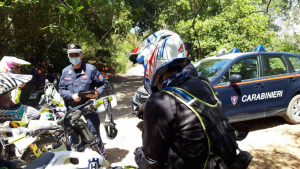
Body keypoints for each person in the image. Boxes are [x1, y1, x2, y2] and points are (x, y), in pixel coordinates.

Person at [133, 30, 218, 169]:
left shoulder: (158, 102)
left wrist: (138, 153)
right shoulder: (204, 85)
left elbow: (151, 164)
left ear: (153, 60)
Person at [59, 43, 107, 157]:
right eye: (71, 54)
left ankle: (101, 158)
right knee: (74, 138)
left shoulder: (91, 69)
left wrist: (97, 93)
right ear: (68, 56)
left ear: (81, 55)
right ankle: (80, 160)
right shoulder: (65, 71)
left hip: (89, 109)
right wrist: (71, 96)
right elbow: (61, 89)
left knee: (93, 135)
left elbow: (103, 84)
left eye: (76, 54)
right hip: (73, 111)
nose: (73, 57)